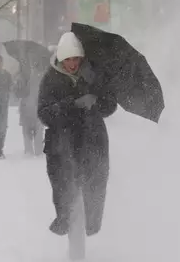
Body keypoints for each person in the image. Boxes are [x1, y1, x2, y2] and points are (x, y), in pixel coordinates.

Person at [37, 31, 117, 237]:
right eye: (68, 59)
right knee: (62, 183)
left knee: (97, 181)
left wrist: (96, 101)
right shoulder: (50, 78)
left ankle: (92, 223)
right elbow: (44, 113)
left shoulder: (93, 75)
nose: (73, 64)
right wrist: (71, 105)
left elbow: (110, 106)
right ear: (61, 59)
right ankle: (64, 219)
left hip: (92, 139)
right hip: (61, 142)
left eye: (76, 59)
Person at [14, 66, 44, 156]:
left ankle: (38, 151)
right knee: (27, 130)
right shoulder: (20, 77)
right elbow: (17, 93)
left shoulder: (41, 76)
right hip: (26, 108)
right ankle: (29, 151)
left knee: (38, 130)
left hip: (37, 107)